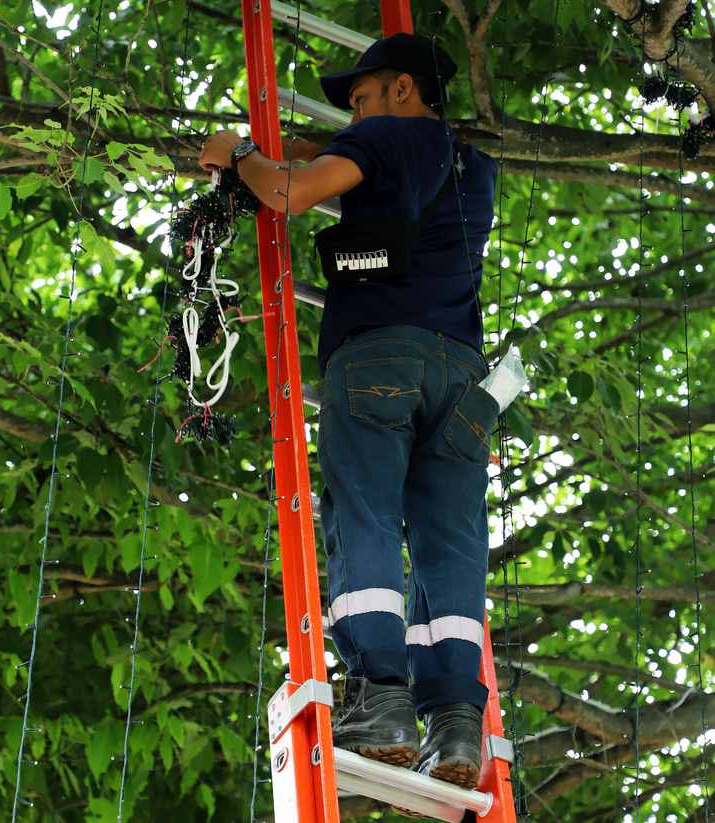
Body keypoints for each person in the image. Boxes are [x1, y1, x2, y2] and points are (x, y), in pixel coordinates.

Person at [199, 33, 498, 791]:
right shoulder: (470, 167)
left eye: (361, 98)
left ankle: (381, 700)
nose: (354, 113)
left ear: (402, 90)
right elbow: (357, 174)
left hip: (379, 359)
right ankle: (457, 722)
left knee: (363, 511)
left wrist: (237, 155)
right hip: (463, 376)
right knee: (448, 544)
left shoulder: (386, 135)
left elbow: (288, 191)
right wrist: (306, 145)